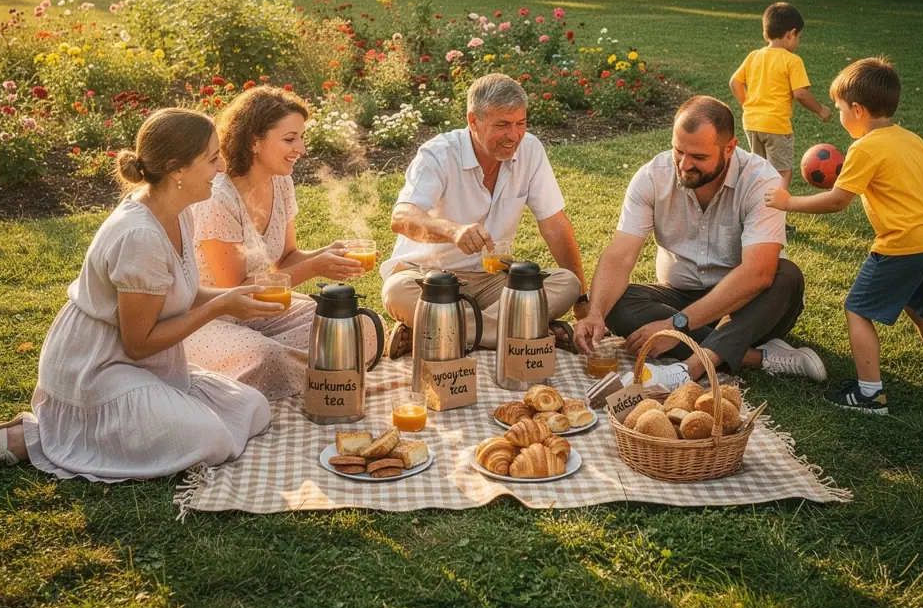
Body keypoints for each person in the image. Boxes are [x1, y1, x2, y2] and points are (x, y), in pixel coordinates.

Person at [0, 108, 278, 477]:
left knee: (253, 407)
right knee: (210, 440)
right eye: (211, 159)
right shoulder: (139, 235)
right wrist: (219, 307)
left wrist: (235, 293)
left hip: (152, 366)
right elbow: (138, 343)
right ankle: (37, 435)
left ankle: (148, 416)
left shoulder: (179, 211)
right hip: (101, 366)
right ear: (177, 170)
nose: (221, 168)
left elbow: (180, 291)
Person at [574, 96, 826, 389]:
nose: (684, 164)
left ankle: (689, 369)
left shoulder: (760, 181)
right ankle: (753, 357)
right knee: (619, 303)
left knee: (785, 275)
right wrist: (596, 312)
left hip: (745, 306)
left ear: (730, 148)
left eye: (699, 157)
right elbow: (620, 255)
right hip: (680, 295)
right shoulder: (652, 177)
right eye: (678, 151)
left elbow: (758, 273)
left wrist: (675, 326)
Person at [765, 58, 923, 413]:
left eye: (840, 108)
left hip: (903, 244)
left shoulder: (865, 147)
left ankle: (870, 393)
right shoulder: (911, 139)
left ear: (857, 110)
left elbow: (837, 201)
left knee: (857, 309)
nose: (840, 114)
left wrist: (788, 202)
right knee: (921, 307)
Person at [382, 73, 587, 355]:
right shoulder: (438, 154)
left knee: (566, 284)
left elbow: (555, 224)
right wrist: (452, 231)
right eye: (502, 124)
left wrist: (583, 298)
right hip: (430, 278)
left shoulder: (531, 150)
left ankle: (436, 330)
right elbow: (402, 217)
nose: (514, 135)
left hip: (495, 280)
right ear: (473, 121)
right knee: (397, 292)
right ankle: (524, 327)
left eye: (521, 123)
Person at [185, 85, 366, 400]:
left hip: (265, 312)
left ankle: (308, 369)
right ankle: (322, 376)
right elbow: (236, 289)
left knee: (356, 325)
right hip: (212, 317)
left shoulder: (281, 182)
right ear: (255, 141)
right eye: (290, 139)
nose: (301, 149)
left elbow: (286, 258)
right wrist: (315, 267)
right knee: (267, 359)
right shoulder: (218, 197)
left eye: (301, 137)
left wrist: (329, 254)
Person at [729, 2, 832, 195]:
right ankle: (777, 217)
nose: (797, 42)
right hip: (776, 125)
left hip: (752, 123)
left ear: (766, 34)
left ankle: (758, 210)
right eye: (798, 37)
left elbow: (735, 82)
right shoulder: (792, 60)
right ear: (791, 34)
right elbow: (800, 94)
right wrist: (821, 110)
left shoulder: (754, 56)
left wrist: (748, 106)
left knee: (759, 170)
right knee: (782, 173)